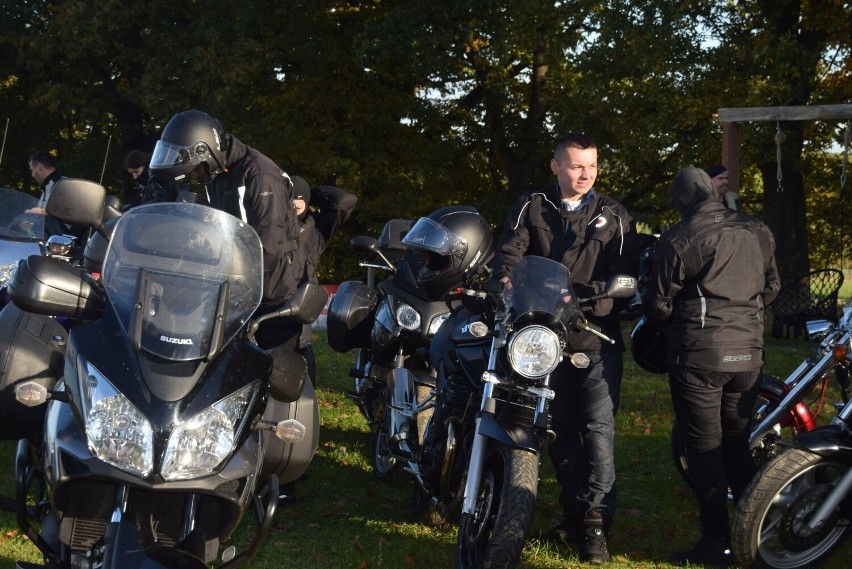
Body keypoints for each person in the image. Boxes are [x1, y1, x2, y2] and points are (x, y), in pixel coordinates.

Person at [490, 132, 639, 564]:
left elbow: (624, 275)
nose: (585, 174)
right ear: (556, 167)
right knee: (553, 431)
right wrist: (504, 281)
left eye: (591, 166)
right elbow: (509, 258)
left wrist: (587, 295)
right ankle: (575, 509)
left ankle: (594, 523)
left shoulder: (614, 214)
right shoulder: (531, 206)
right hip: (538, 341)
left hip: (594, 340)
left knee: (598, 434)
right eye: (576, 165)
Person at [642, 167, 780, 566]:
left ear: (681, 202)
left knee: (703, 450)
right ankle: (759, 528)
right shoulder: (758, 230)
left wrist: (679, 321)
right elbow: (771, 288)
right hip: (749, 354)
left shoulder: (679, 238)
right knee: (736, 443)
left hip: (700, 356)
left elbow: (658, 305)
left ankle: (716, 542)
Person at [149, 109, 302, 348]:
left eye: (196, 169)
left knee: (274, 370)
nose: (195, 176)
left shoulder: (260, 175)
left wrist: (231, 279)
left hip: (273, 293)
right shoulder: (218, 173)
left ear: (208, 151)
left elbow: (268, 245)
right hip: (237, 286)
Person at [288, 174, 358, 383]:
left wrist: (311, 194)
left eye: (298, 199)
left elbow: (345, 201)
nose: (293, 203)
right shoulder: (269, 224)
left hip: (300, 303)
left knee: (299, 356)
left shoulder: (316, 228)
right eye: (288, 198)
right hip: (269, 300)